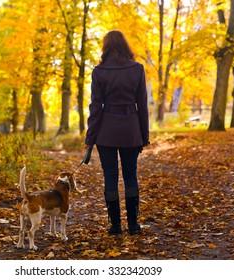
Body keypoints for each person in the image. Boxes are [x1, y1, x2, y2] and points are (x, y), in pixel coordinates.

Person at [85, 30, 149, 236]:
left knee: (110, 177)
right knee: (131, 176)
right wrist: (144, 135)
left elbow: (95, 108)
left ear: (106, 46)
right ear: (125, 44)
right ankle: (133, 225)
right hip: (131, 130)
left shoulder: (99, 71)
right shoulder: (137, 69)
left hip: (106, 133)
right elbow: (142, 105)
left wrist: (90, 138)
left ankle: (115, 226)